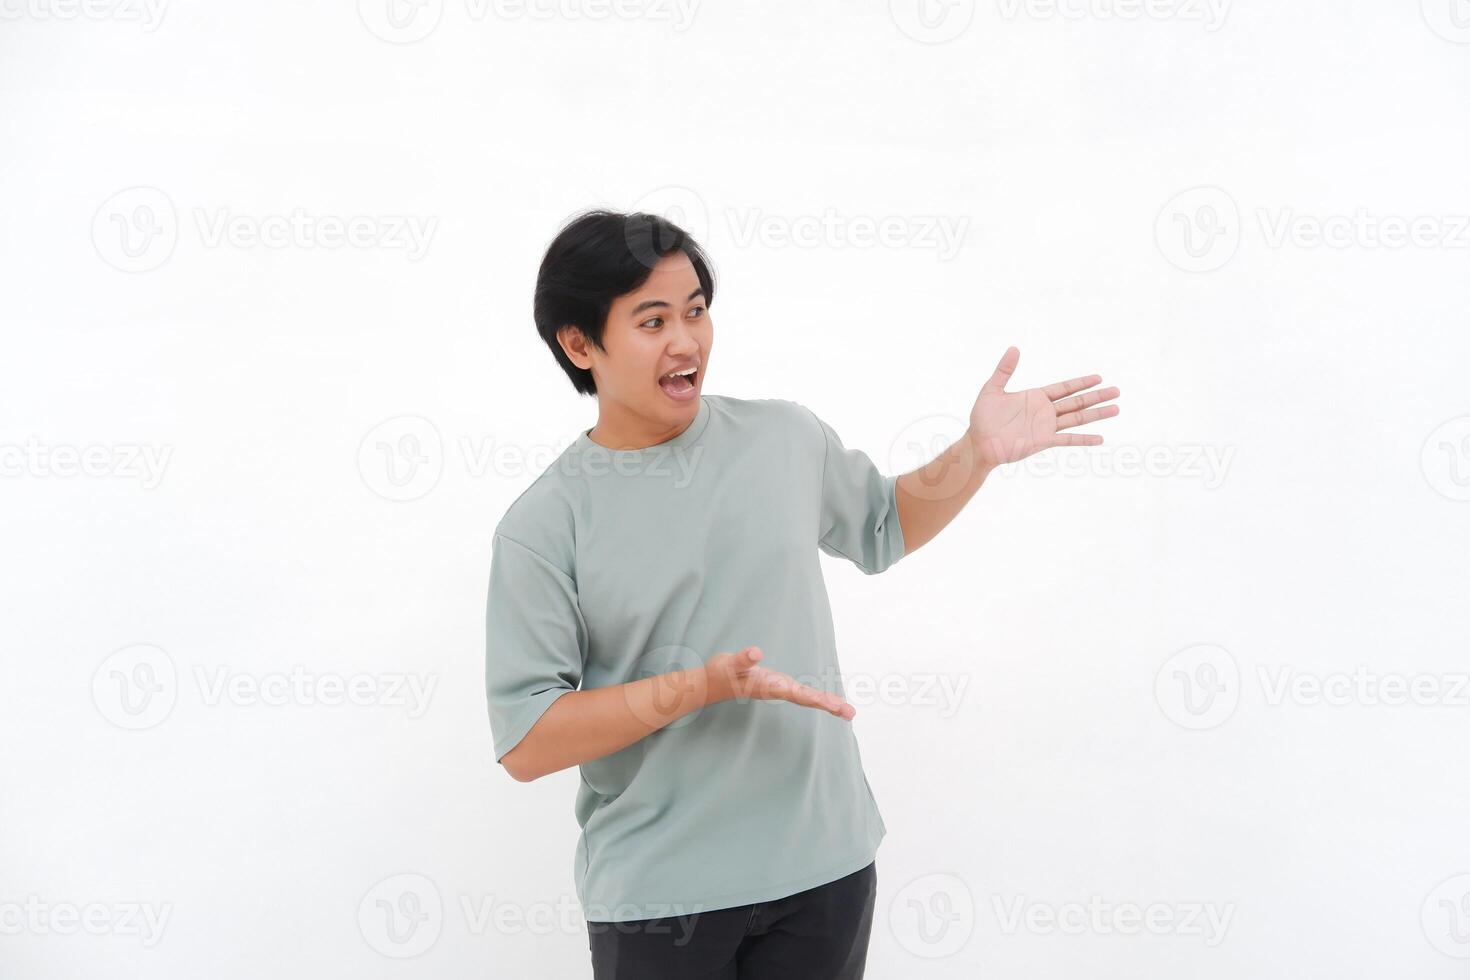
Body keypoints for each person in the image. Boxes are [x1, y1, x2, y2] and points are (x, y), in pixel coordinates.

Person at [485, 209, 1120, 978]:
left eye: (695, 311)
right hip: (660, 900)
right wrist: (700, 687)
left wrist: (976, 453)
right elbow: (527, 740)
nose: (686, 341)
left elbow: (883, 524)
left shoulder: (783, 438)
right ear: (580, 344)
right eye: (653, 321)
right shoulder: (545, 523)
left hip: (825, 869)